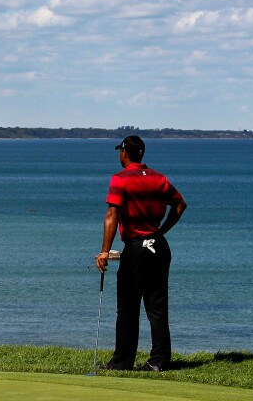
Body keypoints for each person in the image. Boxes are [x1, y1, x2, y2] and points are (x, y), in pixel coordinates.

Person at [95, 135, 187, 372]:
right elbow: (179, 205)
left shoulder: (120, 179)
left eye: (120, 151)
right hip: (158, 246)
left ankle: (122, 361)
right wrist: (161, 231)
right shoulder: (159, 177)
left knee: (128, 306)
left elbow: (112, 216)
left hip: (137, 248)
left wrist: (104, 251)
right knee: (157, 307)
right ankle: (159, 361)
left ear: (124, 152)